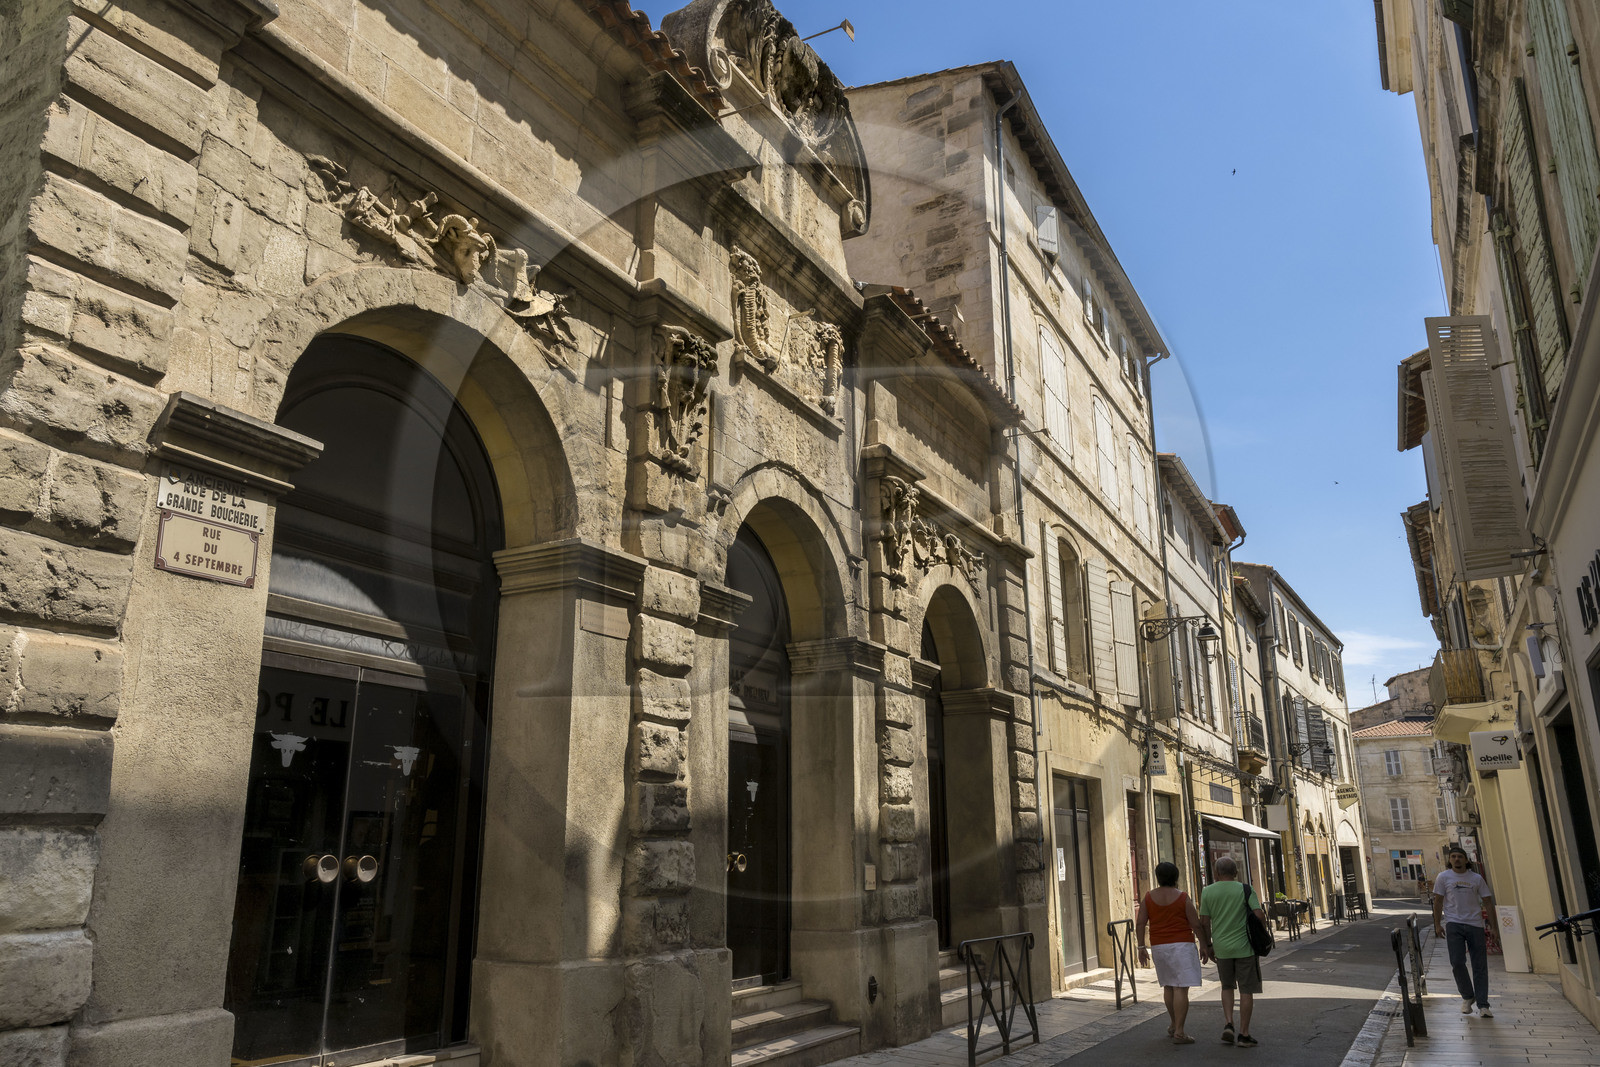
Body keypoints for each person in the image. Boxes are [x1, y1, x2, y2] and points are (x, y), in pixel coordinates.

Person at [1137, 861, 1211, 1045]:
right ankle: (1179, 1030)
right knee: (1181, 987)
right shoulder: (1182, 897)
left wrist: (1140, 947)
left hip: (1159, 946)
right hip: (1181, 946)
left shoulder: (1148, 898)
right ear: (1176, 877)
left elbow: (1140, 923)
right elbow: (1195, 923)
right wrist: (1204, 944)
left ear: (1158, 877)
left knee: (1168, 986)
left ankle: (1172, 1024)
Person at [1199, 856, 1266, 1048]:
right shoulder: (1245, 889)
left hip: (1221, 948)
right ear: (1236, 873)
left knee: (1226, 987)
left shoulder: (1208, 891)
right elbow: (1259, 914)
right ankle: (1244, 1034)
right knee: (1246, 990)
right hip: (1245, 947)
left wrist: (1208, 945)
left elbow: (1204, 922)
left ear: (1216, 873)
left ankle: (1229, 1023)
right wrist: (1262, 928)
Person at [1433, 845, 1495, 1018]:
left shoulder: (1476, 878)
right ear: (1450, 860)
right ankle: (1468, 996)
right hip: (1454, 923)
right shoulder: (1443, 877)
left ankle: (1483, 1004)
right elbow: (1438, 902)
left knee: (1479, 965)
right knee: (1457, 962)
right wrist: (1437, 924)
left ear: (1466, 860)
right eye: (1453, 857)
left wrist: (1494, 927)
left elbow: (1488, 902)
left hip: (1475, 924)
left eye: (1459, 856)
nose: (1456, 859)